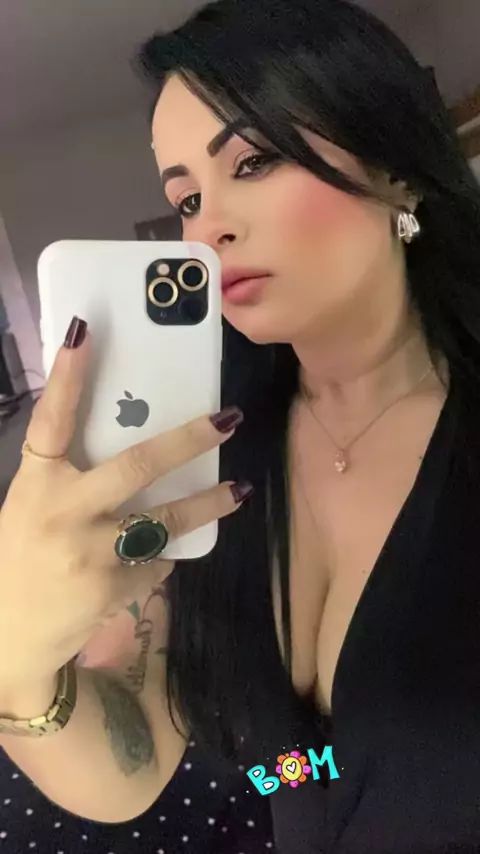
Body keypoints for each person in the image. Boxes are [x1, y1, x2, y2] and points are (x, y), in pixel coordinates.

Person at [1, 0, 480, 851]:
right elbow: (150, 760)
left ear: (397, 171)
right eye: (185, 198)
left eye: (253, 161)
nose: (207, 229)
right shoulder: (206, 454)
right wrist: (16, 666)